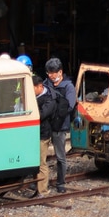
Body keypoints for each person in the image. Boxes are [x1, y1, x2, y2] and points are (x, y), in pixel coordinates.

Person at [44, 58, 77, 194]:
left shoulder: (68, 86)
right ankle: (40, 182)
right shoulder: (46, 84)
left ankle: (61, 183)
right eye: (49, 73)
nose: (51, 75)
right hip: (47, 124)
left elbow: (69, 106)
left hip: (60, 125)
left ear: (60, 72)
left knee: (60, 156)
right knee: (42, 156)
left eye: (53, 72)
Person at [28, 73, 61, 197]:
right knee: (36, 161)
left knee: (41, 162)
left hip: (43, 134)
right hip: (35, 133)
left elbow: (41, 115)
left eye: (33, 88)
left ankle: (43, 190)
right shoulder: (38, 97)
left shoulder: (49, 100)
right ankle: (37, 187)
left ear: (40, 86)